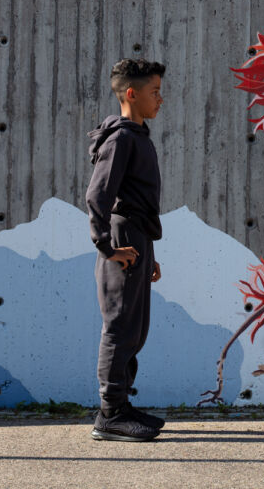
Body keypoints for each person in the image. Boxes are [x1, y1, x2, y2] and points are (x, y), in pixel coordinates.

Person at [86, 58, 168, 441]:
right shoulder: (120, 139)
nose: (160, 99)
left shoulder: (137, 136)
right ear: (131, 94)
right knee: (119, 327)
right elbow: (98, 197)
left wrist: (148, 252)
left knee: (136, 330)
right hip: (121, 240)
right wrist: (108, 248)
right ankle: (110, 414)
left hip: (137, 240)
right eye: (155, 92)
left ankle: (122, 405)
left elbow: (137, 199)